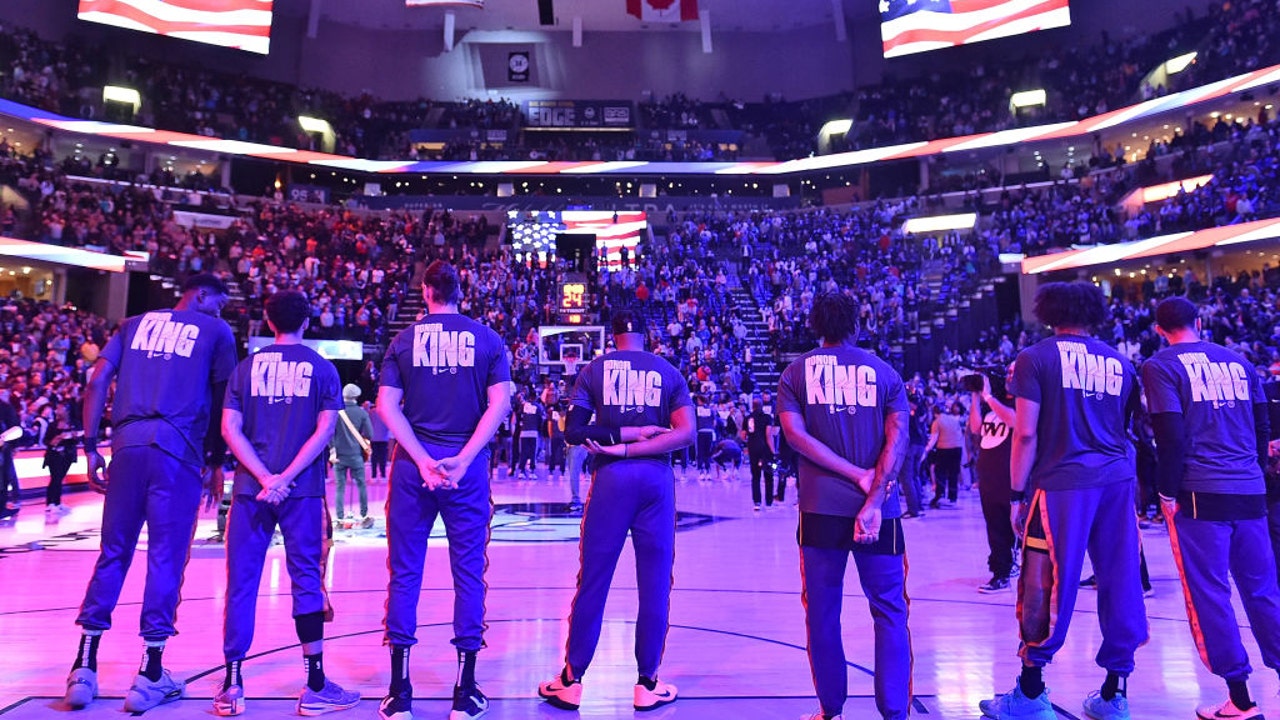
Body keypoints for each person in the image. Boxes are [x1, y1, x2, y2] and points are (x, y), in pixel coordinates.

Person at [64, 273, 237, 712]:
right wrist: (216, 462)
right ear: (199, 294)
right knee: (165, 557)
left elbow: (96, 382)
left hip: (126, 447)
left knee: (113, 553)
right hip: (177, 452)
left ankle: (83, 668)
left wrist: (90, 445)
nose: (223, 309)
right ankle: (150, 673)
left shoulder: (132, 323)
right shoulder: (216, 331)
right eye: (220, 300)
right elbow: (222, 402)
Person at [981, 282, 1147, 720]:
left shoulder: (1034, 358)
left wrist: (1018, 494)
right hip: (1117, 480)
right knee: (1120, 579)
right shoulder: (1121, 362)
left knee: (1044, 581)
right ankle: (1114, 694)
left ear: (1047, 312)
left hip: (1062, 483)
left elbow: (1027, 431)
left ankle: (1031, 693)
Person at [538, 308, 695, 712]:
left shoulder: (595, 369)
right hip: (656, 481)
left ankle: (572, 680)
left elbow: (573, 431)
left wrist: (620, 443)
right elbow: (686, 434)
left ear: (613, 336)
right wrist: (637, 440)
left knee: (593, 579)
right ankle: (647, 682)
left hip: (612, 478)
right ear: (646, 333)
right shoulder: (667, 370)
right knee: (656, 583)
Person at [376, 260, 512, 720]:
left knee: (405, 573)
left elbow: (386, 407)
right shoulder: (488, 339)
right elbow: (500, 404)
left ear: (426, 290)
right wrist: (465, 458)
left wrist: (420, 458)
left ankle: (400, 693)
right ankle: (465, 690)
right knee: (469, 573)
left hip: (414, 468)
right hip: (465, 469)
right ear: (460, 291)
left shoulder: (404, 340)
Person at [216, 290, 360, 717]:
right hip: (301, 491)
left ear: (266, 318)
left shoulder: (245, 368)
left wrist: (264, 477)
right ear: (309, 320)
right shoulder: (322, 369)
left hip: (250, 491)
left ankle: (232, 686)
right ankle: (314, 685)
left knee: (241, 583)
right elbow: (323, 432)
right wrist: (286, 478)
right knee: (306, 582)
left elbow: (229, 429)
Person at [1142, 296, 1280, 720]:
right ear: (1199, 321)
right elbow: (1262, 429)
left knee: (1211, 594)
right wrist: (1253, 474)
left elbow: (1171, 437)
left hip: (1200, 494)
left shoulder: (1160, 365)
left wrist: (1165, 493)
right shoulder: (1239, 361)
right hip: (1250, 489)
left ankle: (1240, 698)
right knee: (1263, 591)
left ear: (1159, 329)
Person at [777, 291, 911, 720]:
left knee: (822, 612)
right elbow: (898, 440)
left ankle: (831, 710)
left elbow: (796, 438)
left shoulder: (795, 374)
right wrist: (872, 496)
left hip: (819, 510)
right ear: (857, 325)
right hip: (880, 512)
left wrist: (851, 474)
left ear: (816, 327)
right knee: (890, 610)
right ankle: (894, 712)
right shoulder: (885, 372)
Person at [968, 371, 1017, 593]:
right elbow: (975, 428)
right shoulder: (990, 405)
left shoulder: (1020, 401)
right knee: (995, 525)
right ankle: (1000, 572)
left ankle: (1013, 564)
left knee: (1016, 525)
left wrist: (988, 397)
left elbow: (1013, 420)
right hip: (988, 475)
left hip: (1011, 475)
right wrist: (976, 398)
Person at [330, 384, 373, 529]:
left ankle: (340, 518)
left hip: (339, 456)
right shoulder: (361, 413)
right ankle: (364, 515)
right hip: (355, 455)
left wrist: (332, 449)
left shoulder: (336, 412)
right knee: (361, 485)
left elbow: (328, 432)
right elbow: (370, 434)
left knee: (340, 488)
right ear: (357, 396)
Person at [923, 401, 965, 507]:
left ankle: (940, 495)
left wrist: (926, 450)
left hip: (944, 449)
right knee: (953, 474)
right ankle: (952, 498)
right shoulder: (953, 419)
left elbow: (933, 439)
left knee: (940, 473)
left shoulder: (937, 422)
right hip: (957, 448)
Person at [43, 402, 81, 518]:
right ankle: (51, 503)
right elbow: (46, 440)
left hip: (67, 456)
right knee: (55, 478)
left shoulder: (73, 424)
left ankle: (57, 503)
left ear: (67, 410)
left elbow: (77, 440)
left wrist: (75, 436)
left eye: (60, 408)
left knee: (59, 479)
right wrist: (56, 439)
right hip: (54, 455)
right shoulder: (53, 425)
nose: (57, 411)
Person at [746, 397, 777, 511]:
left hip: (753, 450)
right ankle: (769, 502)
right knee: (769, 476)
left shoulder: (748, 418)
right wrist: (773, 451)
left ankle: (757, 502)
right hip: (765, 450)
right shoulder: (767, 417)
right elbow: (769, 435)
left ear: (752, 406)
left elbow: (743, 435)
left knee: (755, 477)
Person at [693, 395, 717, 481]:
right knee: (708, 452)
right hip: (709, 432)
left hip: (701, 432)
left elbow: (694, 422)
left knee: (700, 452)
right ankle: (708, 471)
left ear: (700, 400)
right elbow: (714, 422)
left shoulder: (696, 410)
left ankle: (701, 472)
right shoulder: (711, 410)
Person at [368, 399, 392, 483]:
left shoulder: (371, 412)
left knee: (374, 458)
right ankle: (383, 475)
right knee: (383, 458)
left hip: (373, 438)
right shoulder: (386, 412)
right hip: (383, 438)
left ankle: (373, 476)